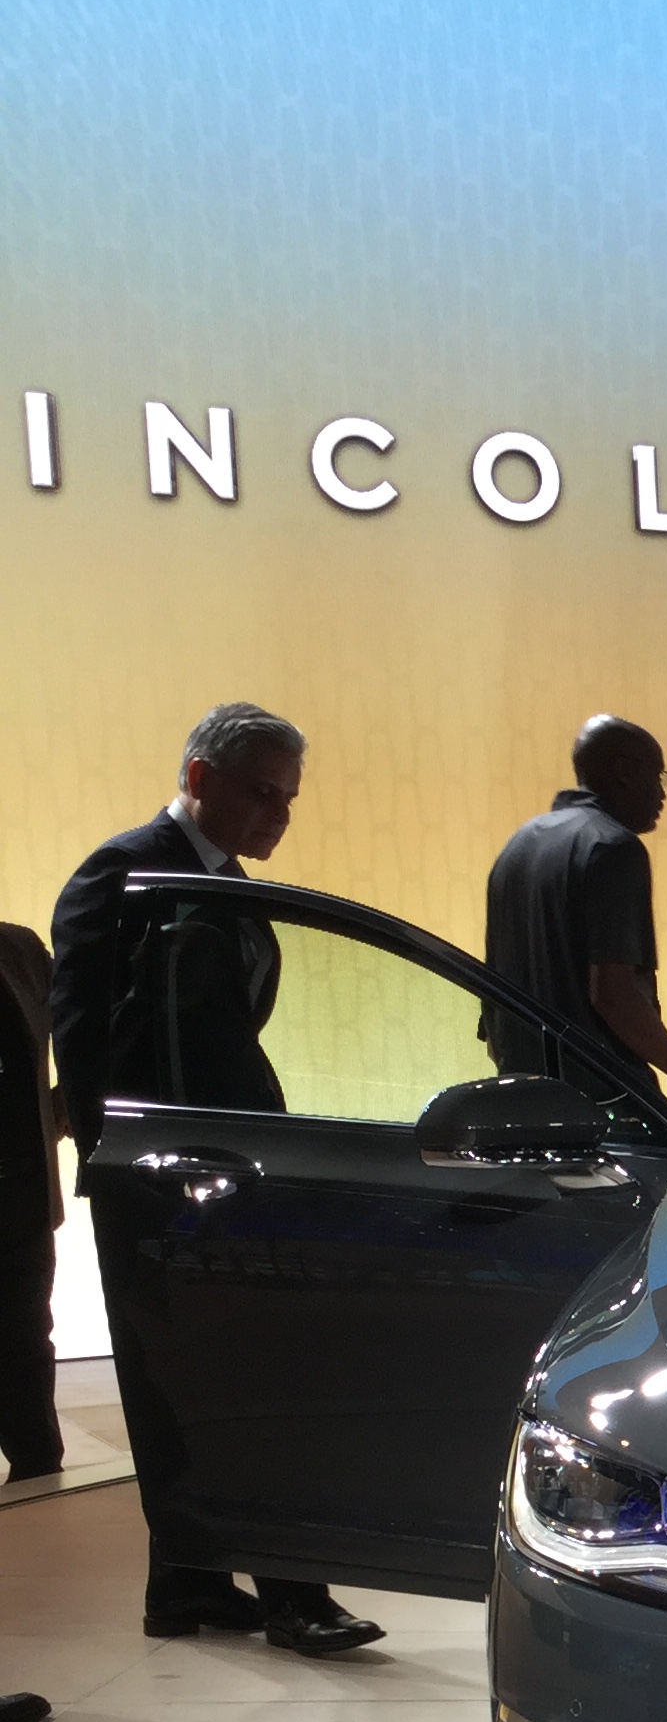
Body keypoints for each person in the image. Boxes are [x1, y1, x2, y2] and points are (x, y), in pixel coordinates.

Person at [49, 702, 382, 1656]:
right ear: (200, 778)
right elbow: (82, 1035)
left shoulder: (224, 879)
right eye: (263, 793)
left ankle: (188, 1584)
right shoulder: (122, 872)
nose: (281, 814)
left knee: (207, 1381)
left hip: (225, 1166)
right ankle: (293, 1594)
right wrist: (118, 1162)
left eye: (289, 797)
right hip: (167, 1178)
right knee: (248, 1381)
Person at [483, 716, 667, 1134]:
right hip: (602, 1110)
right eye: (656, 776)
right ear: (625, 772)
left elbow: (493, 1004)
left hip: (522, 1108)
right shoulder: (613, 849)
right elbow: (614, 997)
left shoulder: (517, 847)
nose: (662, 793)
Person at [0, 919, 65, 1484]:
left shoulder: (20, 950)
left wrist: (59, 1113)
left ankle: (38, 1472)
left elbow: (85, 1026)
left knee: (26, 1337)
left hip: (20, 1189)